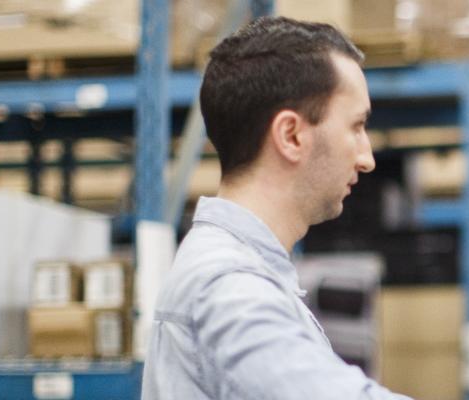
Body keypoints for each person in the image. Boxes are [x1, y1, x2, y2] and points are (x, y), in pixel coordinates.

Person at [141, 17, 409, 399]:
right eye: (356, 126)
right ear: (291, 135)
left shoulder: (243, 274)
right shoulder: (227, 288)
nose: (367, 158)